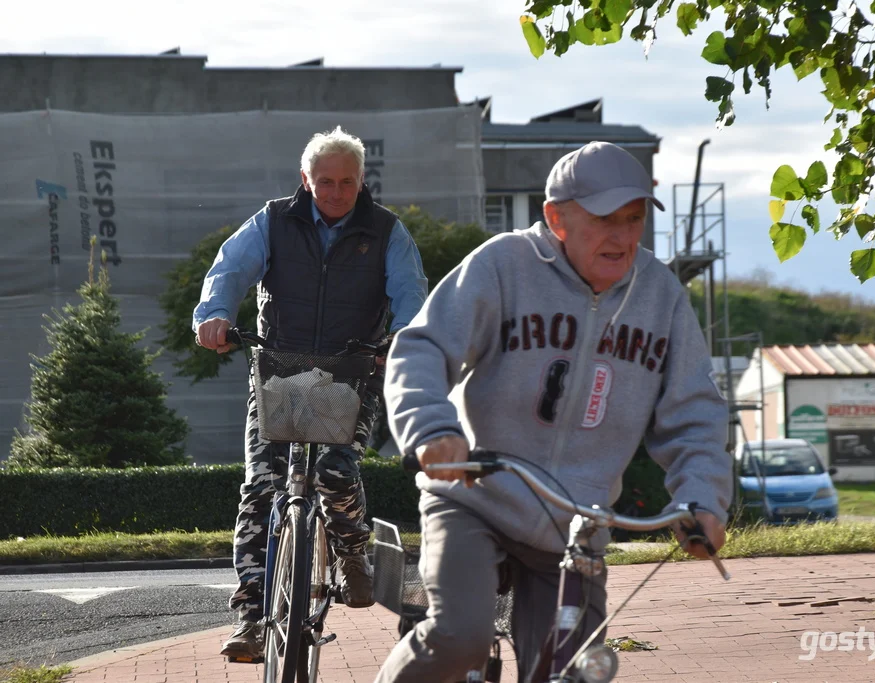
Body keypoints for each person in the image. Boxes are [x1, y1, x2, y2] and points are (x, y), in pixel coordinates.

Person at [378, 141, 732, 682]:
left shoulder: (661, 296)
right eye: (604, 220)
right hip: (476, 495)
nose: (623, 237)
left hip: (575, 522)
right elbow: (422, 347)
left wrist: (702, 497)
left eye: (634, 220)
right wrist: (431, 429)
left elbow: (695, 410)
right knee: (461, 635)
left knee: (573, 669)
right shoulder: (503, 264)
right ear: (556, 218)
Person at [193, 126, 428, 660]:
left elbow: (411, 293)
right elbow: (230, 268)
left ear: (361, 180)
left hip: (352, 373)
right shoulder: (274, 221)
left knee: (335, 472)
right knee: (261, 487)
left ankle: (352, 552)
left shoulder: (388, 232)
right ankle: (252, 619)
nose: (338, 193)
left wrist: (404, 340)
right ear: (306, 179)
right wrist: (213, 315)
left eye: (348, 182)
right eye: (326, 182)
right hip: (279, 371)